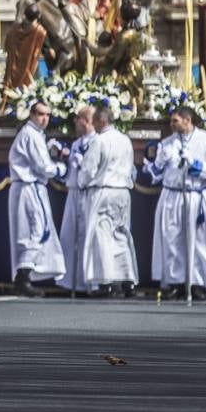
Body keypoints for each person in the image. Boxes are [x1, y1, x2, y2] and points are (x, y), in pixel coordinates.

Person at [144, 107, 206, 300]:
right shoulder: (167, 143)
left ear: (187, 120)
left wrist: (198, 166)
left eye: (175, 121)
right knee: (172, 239)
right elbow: (155, 175)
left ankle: (199, 282)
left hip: (196, 195)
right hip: (173, 195)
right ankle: (176, 281)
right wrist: (158, 163)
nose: (171, 125)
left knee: (199, 241)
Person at [7, 100, 67, 296]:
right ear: (32, 114)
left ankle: (25, 275)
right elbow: (43, 167)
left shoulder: (35, 134)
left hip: (29, 187)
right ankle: (22, 278)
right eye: (41, 114)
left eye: (48, 115)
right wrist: (61, 168)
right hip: (29, 187)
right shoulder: (30, 134)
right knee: (36, 231)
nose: (45, 119)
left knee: (35, 231)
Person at [77, 106, 138, 296]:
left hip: (103, 191)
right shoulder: (125, 140)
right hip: (122, 191)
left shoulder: (99, 141)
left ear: (101, 121)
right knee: (121, 234)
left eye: (95, 121)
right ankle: (127, 278)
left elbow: (89, 169)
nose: (93, 125)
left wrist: (81, 182)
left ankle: (106, 281)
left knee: (101, 235)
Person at [56, 107, 96, 294]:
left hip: (90, 193)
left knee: (88, 236)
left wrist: (83, 163)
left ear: (87, 121)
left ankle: (91, 283)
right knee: (70, 235)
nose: (75, 122)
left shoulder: (98, 142)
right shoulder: (76, 144)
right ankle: (71, 281)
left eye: (78, 118)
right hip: (74, 192)